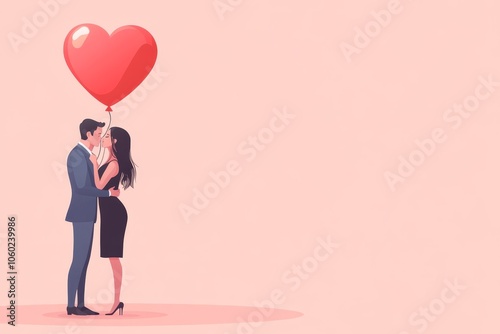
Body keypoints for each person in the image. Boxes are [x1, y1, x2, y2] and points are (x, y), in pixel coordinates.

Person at [65, 119, 120, 316]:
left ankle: (80, 304)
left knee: (84, 260)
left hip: (88, 215)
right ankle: (71, 305)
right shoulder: (77, 156)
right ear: (88, 134)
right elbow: (82, 188)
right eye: (98, 134)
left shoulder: (87, 156)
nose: (99, 137)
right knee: (78, 260)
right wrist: (108, 194)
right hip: (81, 214)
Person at [89, 126, 136, 316]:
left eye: (107, 136)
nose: (104, 138)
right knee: (112, 256)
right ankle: (117, 301)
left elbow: (99, 185)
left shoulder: (114, 163)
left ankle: (116, 301)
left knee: (114, 257)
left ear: (115, 141)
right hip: (109, 212)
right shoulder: (109, 160)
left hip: (114, 213)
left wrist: (93, 164)